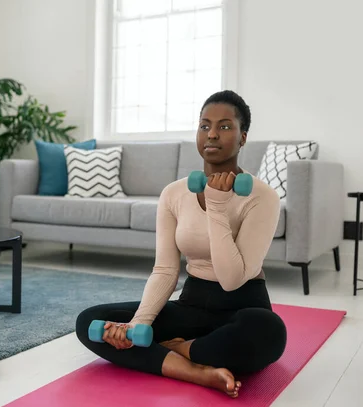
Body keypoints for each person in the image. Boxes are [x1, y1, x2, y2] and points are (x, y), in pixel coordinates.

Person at [75, 90, 287, 399]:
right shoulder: (174, 194)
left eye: (225, 126)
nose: (212, 134)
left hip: (242, 305)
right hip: (192, 303)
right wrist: (137, 326)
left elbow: (231, 279)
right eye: (204, 125)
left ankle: (180, 349)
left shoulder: (262, 197)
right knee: (90, 323)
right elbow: (164, 270)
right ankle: (196, 371)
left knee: (269, 333)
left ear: (243, 138)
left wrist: (216, 205)